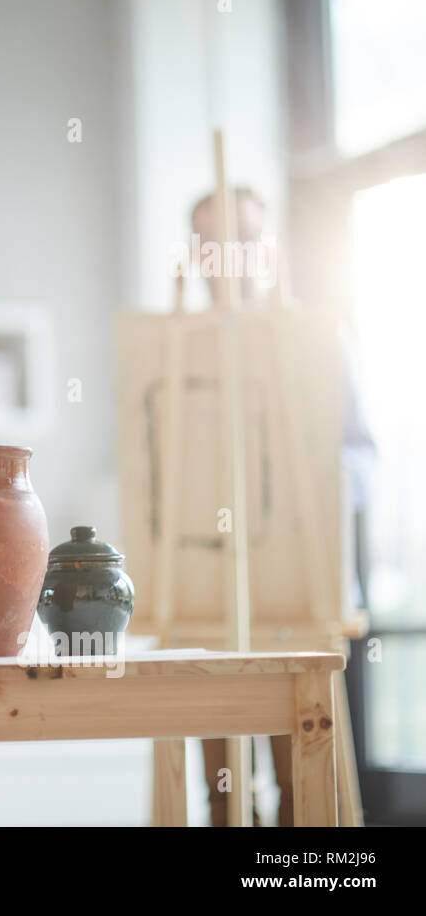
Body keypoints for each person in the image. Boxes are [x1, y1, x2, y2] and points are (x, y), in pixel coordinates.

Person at [188, 186, 375, 826]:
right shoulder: (177, 346)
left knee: (306, 784)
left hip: (299, 595)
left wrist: (309, 484)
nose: (228, 254)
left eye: (242, 236)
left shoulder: (316, 343)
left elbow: (362, 459)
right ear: (196, 255)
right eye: (213, 241)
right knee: (223, 797)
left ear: (264, 248)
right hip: (205, 604)